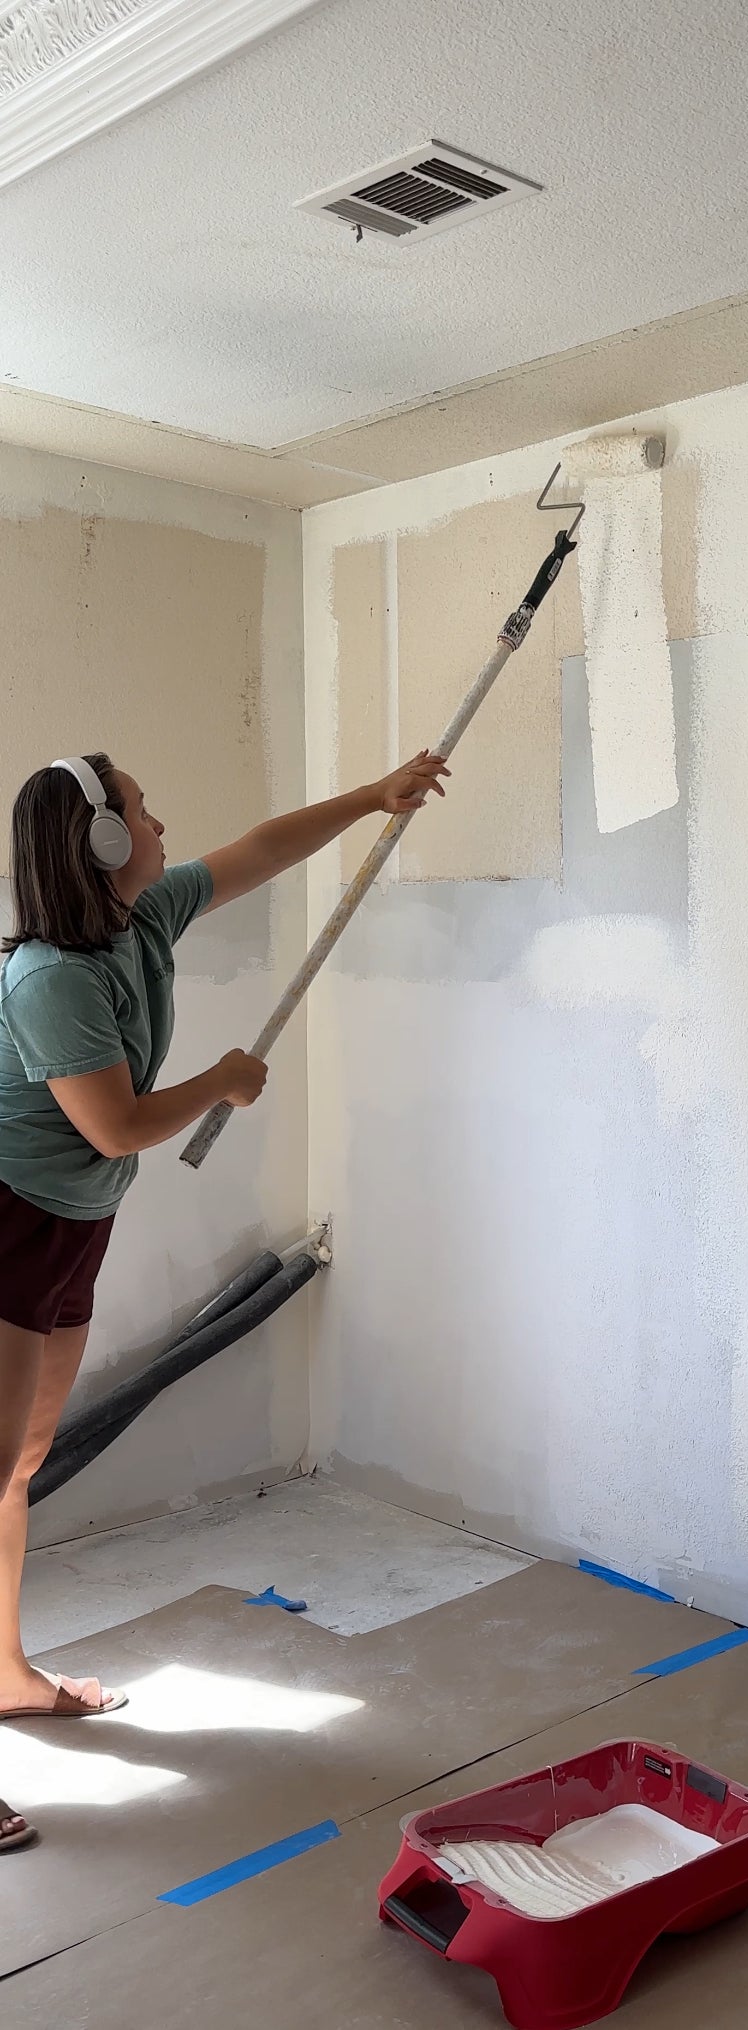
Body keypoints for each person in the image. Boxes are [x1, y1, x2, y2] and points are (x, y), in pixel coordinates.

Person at [0, 747, 449, 1849]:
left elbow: (253, 854)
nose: (161, 821)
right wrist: (222, 1082)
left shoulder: (138, 923)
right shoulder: (49, 976)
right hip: (10, 1227)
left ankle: (5, 1671)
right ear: (100, 842)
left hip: (72, 1229)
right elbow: (117, 1126)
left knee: (19, 1462)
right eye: (144, 809)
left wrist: (372, 796)